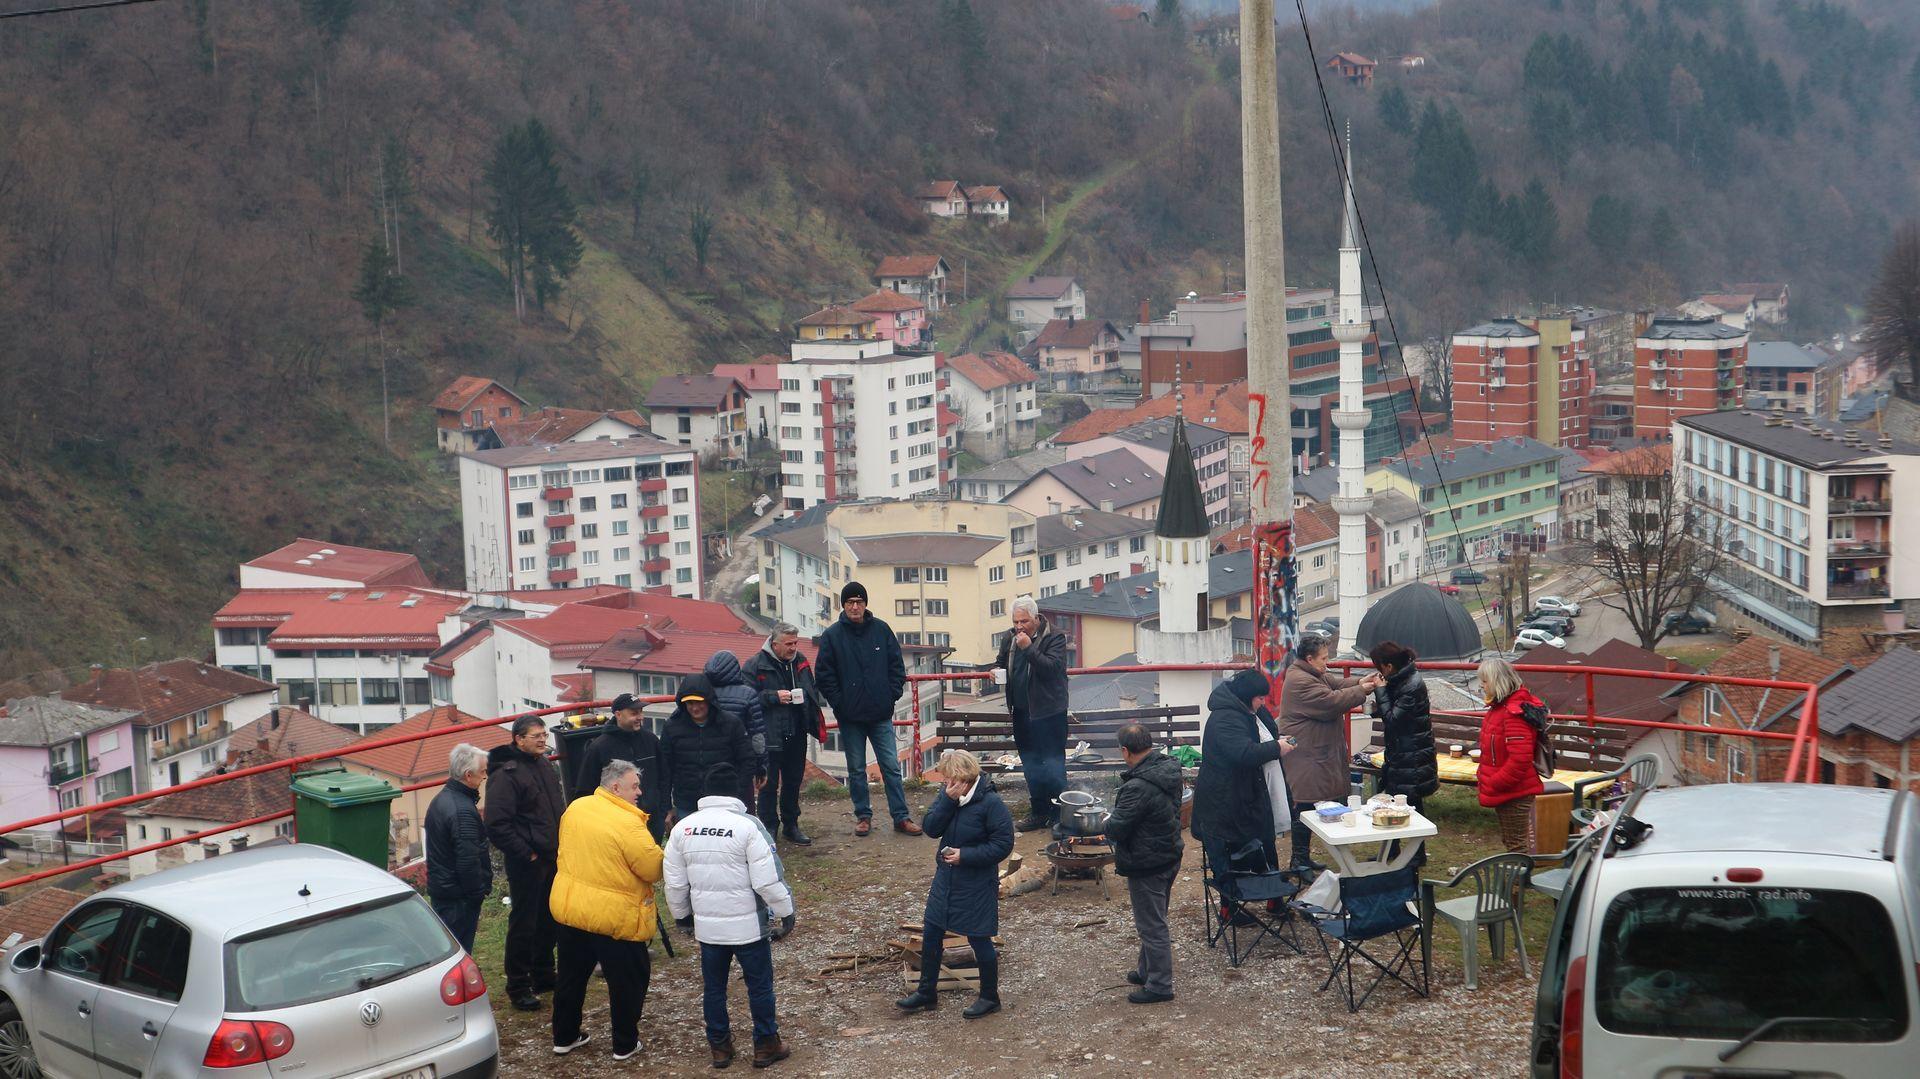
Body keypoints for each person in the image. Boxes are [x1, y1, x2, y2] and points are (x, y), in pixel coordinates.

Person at [663, 763, 795, 1070]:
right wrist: (787, 912)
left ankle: (720, 1048)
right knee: (759, 987)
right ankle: (765, 1044)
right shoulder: (750, 826)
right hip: (749, 927)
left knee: (714, 989)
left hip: (708, 929)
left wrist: (682, 916)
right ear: (735, 792)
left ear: (705, 792)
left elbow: (675, 882)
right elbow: (767, 880)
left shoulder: (683, 828)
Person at [549, 759, 664, 1061]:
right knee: (628, 980)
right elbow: (652, 868)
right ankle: (624, 1043)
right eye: (634, 786)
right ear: (616, 788)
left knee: (571, 977)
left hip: (572, 907)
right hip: (613, 915)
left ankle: (565, 1035)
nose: (639, 792)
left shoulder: (576, 807)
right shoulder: (628, 823)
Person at [896, 749, 1014, 1019]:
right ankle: (927, 992)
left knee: (979, 938)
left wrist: (966, 856)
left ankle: (989, 997)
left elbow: (1003, 844)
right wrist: (947, 801)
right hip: (946, 878)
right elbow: (931, 828)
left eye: (950, 778)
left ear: (965, 778)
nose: (946, 783)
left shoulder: (991, 803)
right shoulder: (948, 795)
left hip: (976, 880)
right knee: (933, 931)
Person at [814, 581, 921, 836]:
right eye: (850, 602)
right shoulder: (832, 636)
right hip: (850, 717)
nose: (854, 606)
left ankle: (901, 816)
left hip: (880, 714)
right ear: (843, 605)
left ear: (865, 604)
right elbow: (824, 675)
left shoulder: (881, 630)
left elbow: (897, 668)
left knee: (891, 767)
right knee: (857, 769)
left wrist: (890, 696)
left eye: (859, 602)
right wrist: (840, 702)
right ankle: (863, 816)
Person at [1277, 635, 1381, 872]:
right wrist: (1361, 690)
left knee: (1312, 803)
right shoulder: (1300, 681)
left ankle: (1301, 859)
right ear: (1309, 658)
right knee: (1305, 805)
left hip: (1313, 751)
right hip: (1306, 753)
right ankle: (1299, 861)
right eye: (1324, 658)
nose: (1327, 663)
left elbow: (1336, 685)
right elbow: (1331, 702)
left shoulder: (1313, 673)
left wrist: (1361, 681)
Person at [485, 716, 567, 1010]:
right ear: (519, 739)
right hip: (528, 861)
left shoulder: (544, 765)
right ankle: (518, 985)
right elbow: (496, 824)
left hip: (552, 855)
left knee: (549, 918)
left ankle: (544, 974)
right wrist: (527, 853)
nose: (543, 740)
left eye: (545, 734)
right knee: (524, 923)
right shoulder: (506, 774)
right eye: (536, 735)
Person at [1104, 723, 1184, 1005]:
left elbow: (1117, 829)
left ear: (1125, 751)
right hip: (1169, 853)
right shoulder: (1168, 769)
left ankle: (1160, 985)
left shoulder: (1138, 786)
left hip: (1147, 862)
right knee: (1154, 917)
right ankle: (1146, 970)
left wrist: (1106, 822)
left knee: (1152, 925)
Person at [1192, 669, 1297, 881]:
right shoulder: (1225, 718)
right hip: (1225, 801)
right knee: (1230, 857)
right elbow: (1243, 753)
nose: (1263, 702)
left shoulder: (1251, 711)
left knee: (1265, 845)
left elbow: (1265, 737)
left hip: (1250, 795)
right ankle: (1229, 907)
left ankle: (1273, 898)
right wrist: (1276, 748)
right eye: (1260, 698)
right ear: (1247, 696)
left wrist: (1279, 741)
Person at [986, 596, 1071, 832]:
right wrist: (995, 671)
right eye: (1016, 621)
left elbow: (1052, 669)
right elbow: (1001, 662)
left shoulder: (1054, 637)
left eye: (1024, 621)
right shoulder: (1009, 637)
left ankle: (1059, 814)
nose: (1019, 626)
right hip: (1022, 712)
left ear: (1036, 618)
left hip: (1049, 712)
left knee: (1054, 763)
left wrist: (1029, 648)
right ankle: (1038, 812)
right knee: (1031, 763)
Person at [743, 622, 826, 846]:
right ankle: (769, 826)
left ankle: (791, 825)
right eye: (789, 644)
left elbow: (813, 689)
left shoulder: (800, 662)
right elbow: (746, 697)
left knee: (793, 781)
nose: (793, 648)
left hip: (797, 732)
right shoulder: (755, 665)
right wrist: (773, 697)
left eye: (796, 643)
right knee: (768, 784)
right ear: (775, 643)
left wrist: (808, 702)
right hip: (768, 734)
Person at [1369, 641, 1439, 867]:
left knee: (1410, 805)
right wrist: (1379, 698)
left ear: (1388, 666)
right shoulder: (1400, 680)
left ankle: (1416, 856)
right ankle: (1393, 850)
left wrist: (1380, 691)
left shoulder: (1411, 685)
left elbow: (1392, 720)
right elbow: (1387, 711)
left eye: (1379, 668)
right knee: (1392, 802)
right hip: (1401, 753)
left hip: (1412, 755)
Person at [570, 692, 668, 841]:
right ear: (618, 714)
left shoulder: (651, 740)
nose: (640, 717)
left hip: (652, 821)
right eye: (634, 713)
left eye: (641, 712)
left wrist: (662, 811)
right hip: (616, 826)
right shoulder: (599, 747)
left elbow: (664, 777)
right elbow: (586, 790)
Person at [660, 674, 757, 821]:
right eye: (689, 703)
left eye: (699, 702)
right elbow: (665, 768)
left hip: (725, 801)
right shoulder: (672, 727)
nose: (694, 707)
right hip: (687, 802)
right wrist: (667, 806)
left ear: (709, 701)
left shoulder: (731, 724)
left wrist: (738, 791)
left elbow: (747, 760)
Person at [424, 742, 492, 953]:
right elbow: (468, 860)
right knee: (459, 950)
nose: (484, 778)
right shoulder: (462, 811)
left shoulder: (441, 799)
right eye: (482, 773)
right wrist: (477, 893)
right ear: (468, 775)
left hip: (444, 889)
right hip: (458, 897)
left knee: (448, 947)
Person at [1477, 656, 1547, 854]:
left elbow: (1520, 759)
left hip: (1514, 790)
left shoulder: (1512, 714)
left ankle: (1518, 884)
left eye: (1484, 681)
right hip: (1509, 788)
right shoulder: (1501, 708)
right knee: (1511, 840)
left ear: (1497, 681)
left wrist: (1495, 782)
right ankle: (1518, 882)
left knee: (1516, 844)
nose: (1481, 686)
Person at [704, 649, 770, 786]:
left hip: (706, 764)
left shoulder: (701, 693)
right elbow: (757, 736)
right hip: (739, 764)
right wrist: (761, 767)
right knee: (740, 803)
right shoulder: (748, 695)